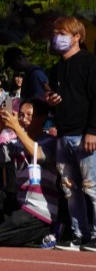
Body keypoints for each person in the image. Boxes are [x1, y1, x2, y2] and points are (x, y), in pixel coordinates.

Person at [0, 100, 61, 248]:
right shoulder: (16, 143)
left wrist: (16, 127)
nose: (24, 119)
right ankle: (13, 230)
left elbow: (38, 154)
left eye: (29, 115)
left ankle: (45, 230)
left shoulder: (51, 142)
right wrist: (0, 127)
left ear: (41, 118)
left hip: (39, 209)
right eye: (20, 115)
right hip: (20, 203)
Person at [45, 16, 96, 251]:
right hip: (63, 134)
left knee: (92, 187)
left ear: (77, 36)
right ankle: (79, 233)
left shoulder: (89, 63)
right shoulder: (55, 68)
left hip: (84, 134)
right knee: (69, 189)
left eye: (63, 33)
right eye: (56, 33)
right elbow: (55, 100)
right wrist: (50, 101)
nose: (58, 38)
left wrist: (93, 131)